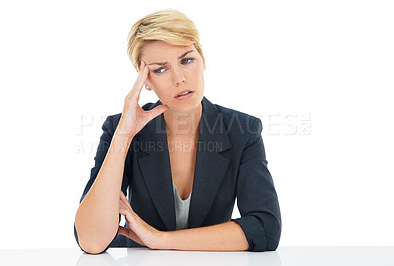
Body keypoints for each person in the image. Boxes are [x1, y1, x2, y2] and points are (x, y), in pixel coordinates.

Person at [74, 8, 281, 254]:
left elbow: (265, 228)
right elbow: (91, 241)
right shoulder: (119, 130)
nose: (179, 78)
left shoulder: (242, 130)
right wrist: (124, 136)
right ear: (146, 81)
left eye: (186, 60)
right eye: (160, 69)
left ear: (203, 59)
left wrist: (158, 239)